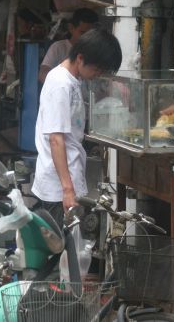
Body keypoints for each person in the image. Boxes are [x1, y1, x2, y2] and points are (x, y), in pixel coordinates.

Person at [32, 29, 122, 229]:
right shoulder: (61, 84)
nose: (97, 75)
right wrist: (67, 190)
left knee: (70, 248)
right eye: (97, 69)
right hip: (58, 187)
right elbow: (55, 138)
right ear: (80, 58)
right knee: (60, 250)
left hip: (67, 177)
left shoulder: (72, 81)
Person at [38, 8, 99, 83]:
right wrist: (64, 84)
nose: (87, 37)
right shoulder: (58, 47)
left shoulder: (96, 51)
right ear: (71, 28)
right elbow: (42, 74)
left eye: (91, 34)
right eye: (82, 33)